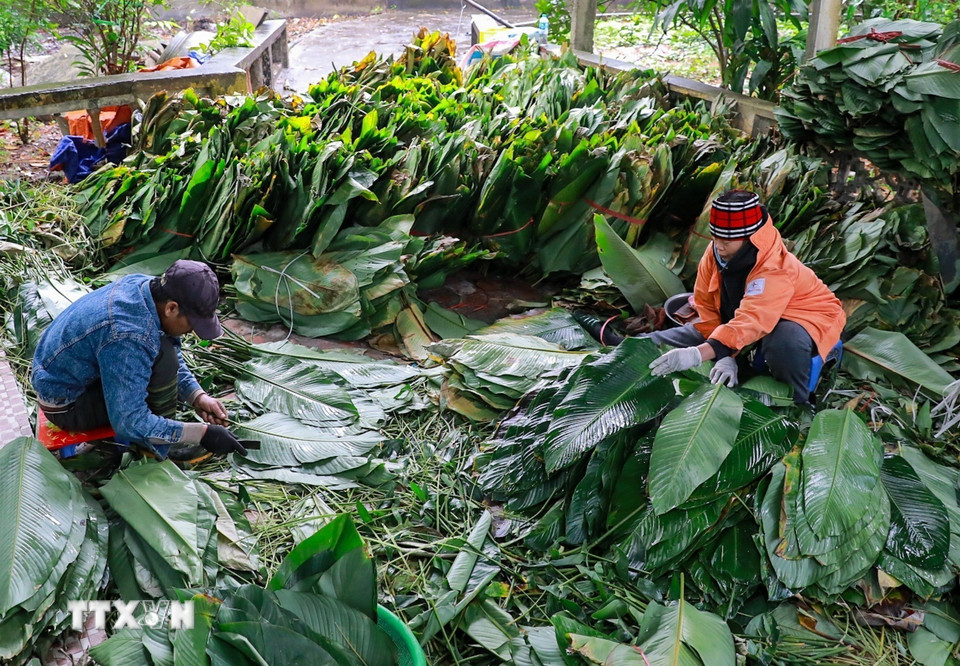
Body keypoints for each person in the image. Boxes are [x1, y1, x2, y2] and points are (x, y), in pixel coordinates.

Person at [645, 189, 846, 404]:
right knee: (692, 335)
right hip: (745, 318)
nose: (719, 246)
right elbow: (706, 307)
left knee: (784, 340)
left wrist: (697, 355)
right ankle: (626, 346)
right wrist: (723, 355)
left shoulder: (773, 266)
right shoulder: (715, 252)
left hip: (804, 316)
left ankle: (796, 404)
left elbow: (754, 319)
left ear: (749, 238)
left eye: (727, 241)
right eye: (716, 238)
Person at [31, 259, 247, 456]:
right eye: (192, 324)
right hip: (68, 405)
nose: (192, 331)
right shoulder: (129, 335)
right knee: (161, 359)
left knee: (163, 351)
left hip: (64, 375)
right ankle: (158, 446)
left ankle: (162, 430)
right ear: (172, 308)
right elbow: (129, 421)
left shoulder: (147, 288)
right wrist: (200, 434)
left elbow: (168, 345)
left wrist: (197, 396)